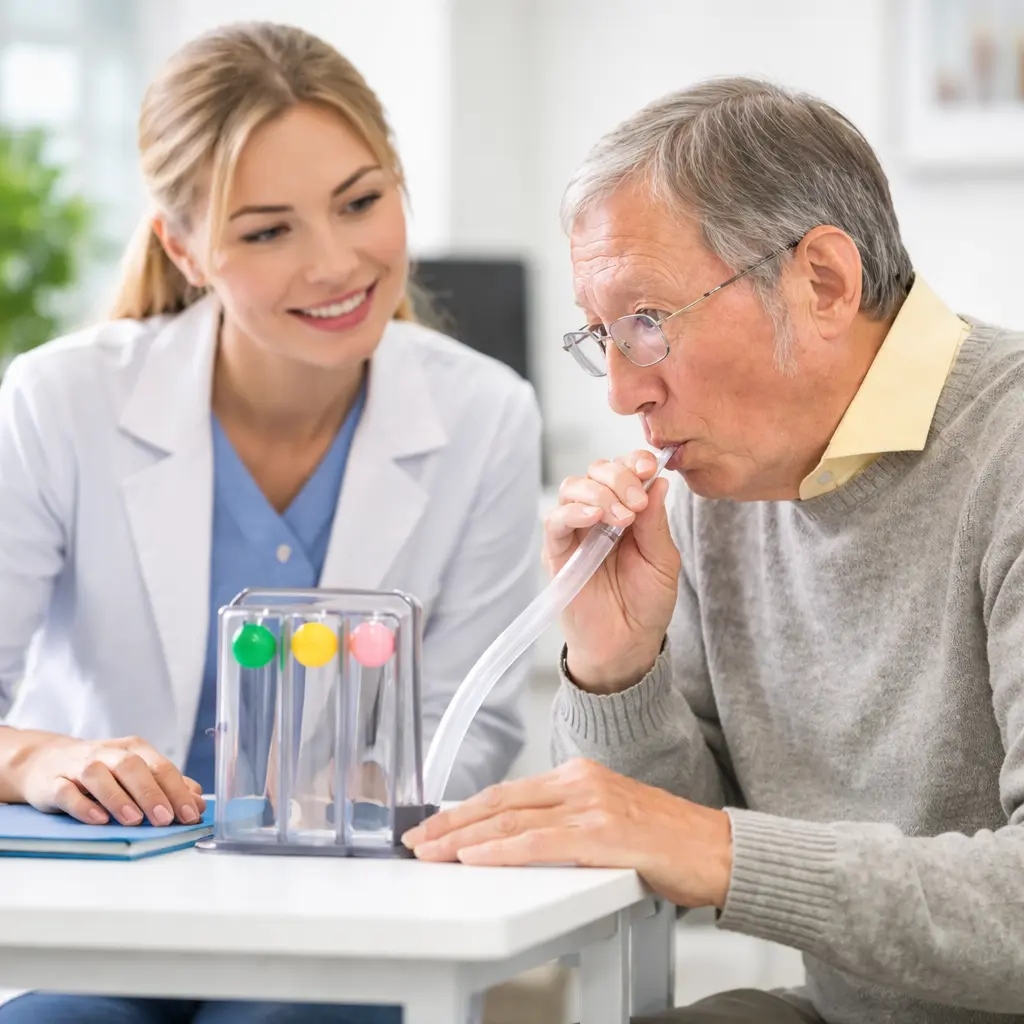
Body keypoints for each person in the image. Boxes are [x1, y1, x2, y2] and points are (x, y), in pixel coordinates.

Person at [402, 78, 1024, 1024]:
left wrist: (720, 848)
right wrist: (617, 669)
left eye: (646, 322)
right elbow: (664, 840)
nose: (619, 394)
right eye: (601, 336)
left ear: (822, 281)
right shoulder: (723, 488)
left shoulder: (1007, 451)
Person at [0, 21, 540, 1024]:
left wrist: (344, 811)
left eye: (360, 202)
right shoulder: (57, 400)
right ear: (184, 247)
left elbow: (474, 725)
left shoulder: (485, 416)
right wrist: (38, 757)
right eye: (265, 230)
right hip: (102, 919)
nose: (335, 263)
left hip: (343, 924)